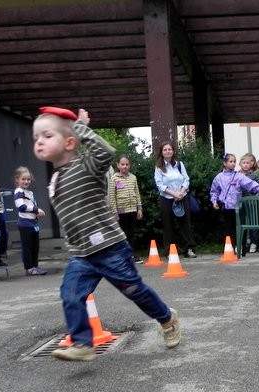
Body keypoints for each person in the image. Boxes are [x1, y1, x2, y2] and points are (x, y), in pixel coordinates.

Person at [32, 106, 180, 362]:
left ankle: (167, 318)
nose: (39, 142)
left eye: (47, 135)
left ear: (69, 142)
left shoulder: (85, 165)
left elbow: (105, 153)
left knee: (135, 291)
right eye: (36, 138)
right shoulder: (55, 178)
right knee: (70, 294)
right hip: (82, 255)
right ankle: (82, 343)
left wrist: (80, 128)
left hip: (110, 247)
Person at [210, 153, 259, 250]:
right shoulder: (219, 177)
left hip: (237, 206)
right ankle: (228, 247)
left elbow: (250, 183)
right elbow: (214, 191)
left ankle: (241, 246)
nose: (233, 163)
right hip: (225, 207)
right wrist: (214, 201)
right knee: (228, 228)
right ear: (225, 163)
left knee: (240, 227)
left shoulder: (239, 176)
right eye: (230, 161)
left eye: (234, 161)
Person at [154, 141, 197, 258]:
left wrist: (181, 192)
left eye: (170, 149)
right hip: (167, 198)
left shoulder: (179, 164)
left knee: (185, 224)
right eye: (165, 150)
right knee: (168, 225)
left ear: (173, 151)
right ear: (161, 152)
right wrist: (174, 194)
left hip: (182, 197)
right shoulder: (159, 167)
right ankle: (170, 251)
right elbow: (160, 185)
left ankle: (189, 249)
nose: (168, 151)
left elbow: (186, 179)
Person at [107, 155, 143, 263]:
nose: (125, 166)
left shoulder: (133, 178)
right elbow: (112, 197)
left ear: (129, 165)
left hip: (132, 210)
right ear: (118, 165)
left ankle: (132, 255)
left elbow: (137, 193)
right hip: (121, 211)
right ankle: (123, 256)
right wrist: (115, 212)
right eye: (122, 164)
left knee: (131, 233)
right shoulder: (114, 178)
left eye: (127, 164)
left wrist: (139, 208)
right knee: (123, 234)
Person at [13, 166, 47, 275]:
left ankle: (35, 266)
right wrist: (36, 210)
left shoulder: (30, 193)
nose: (26, 181)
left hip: (33, 223)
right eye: (23, 179)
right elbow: (21, 207)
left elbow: (31, 206)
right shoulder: (18, 191)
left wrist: (37, 213)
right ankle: (29, 268)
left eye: (28, 179)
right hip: (25, 224)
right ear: (17, 179)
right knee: (27, 247)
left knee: (35, 247)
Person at [238, 153, 259, 253]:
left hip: (252, 203)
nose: (246, 165)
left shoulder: (254, 176)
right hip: (241, 203)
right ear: (240, 164)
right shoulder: (236, 175)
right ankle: (242, 243)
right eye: (244, 163)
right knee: (241, 223)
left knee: (253, 222)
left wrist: (256, 197)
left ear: (251, 164)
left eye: (248, 163)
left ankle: (254, 243)